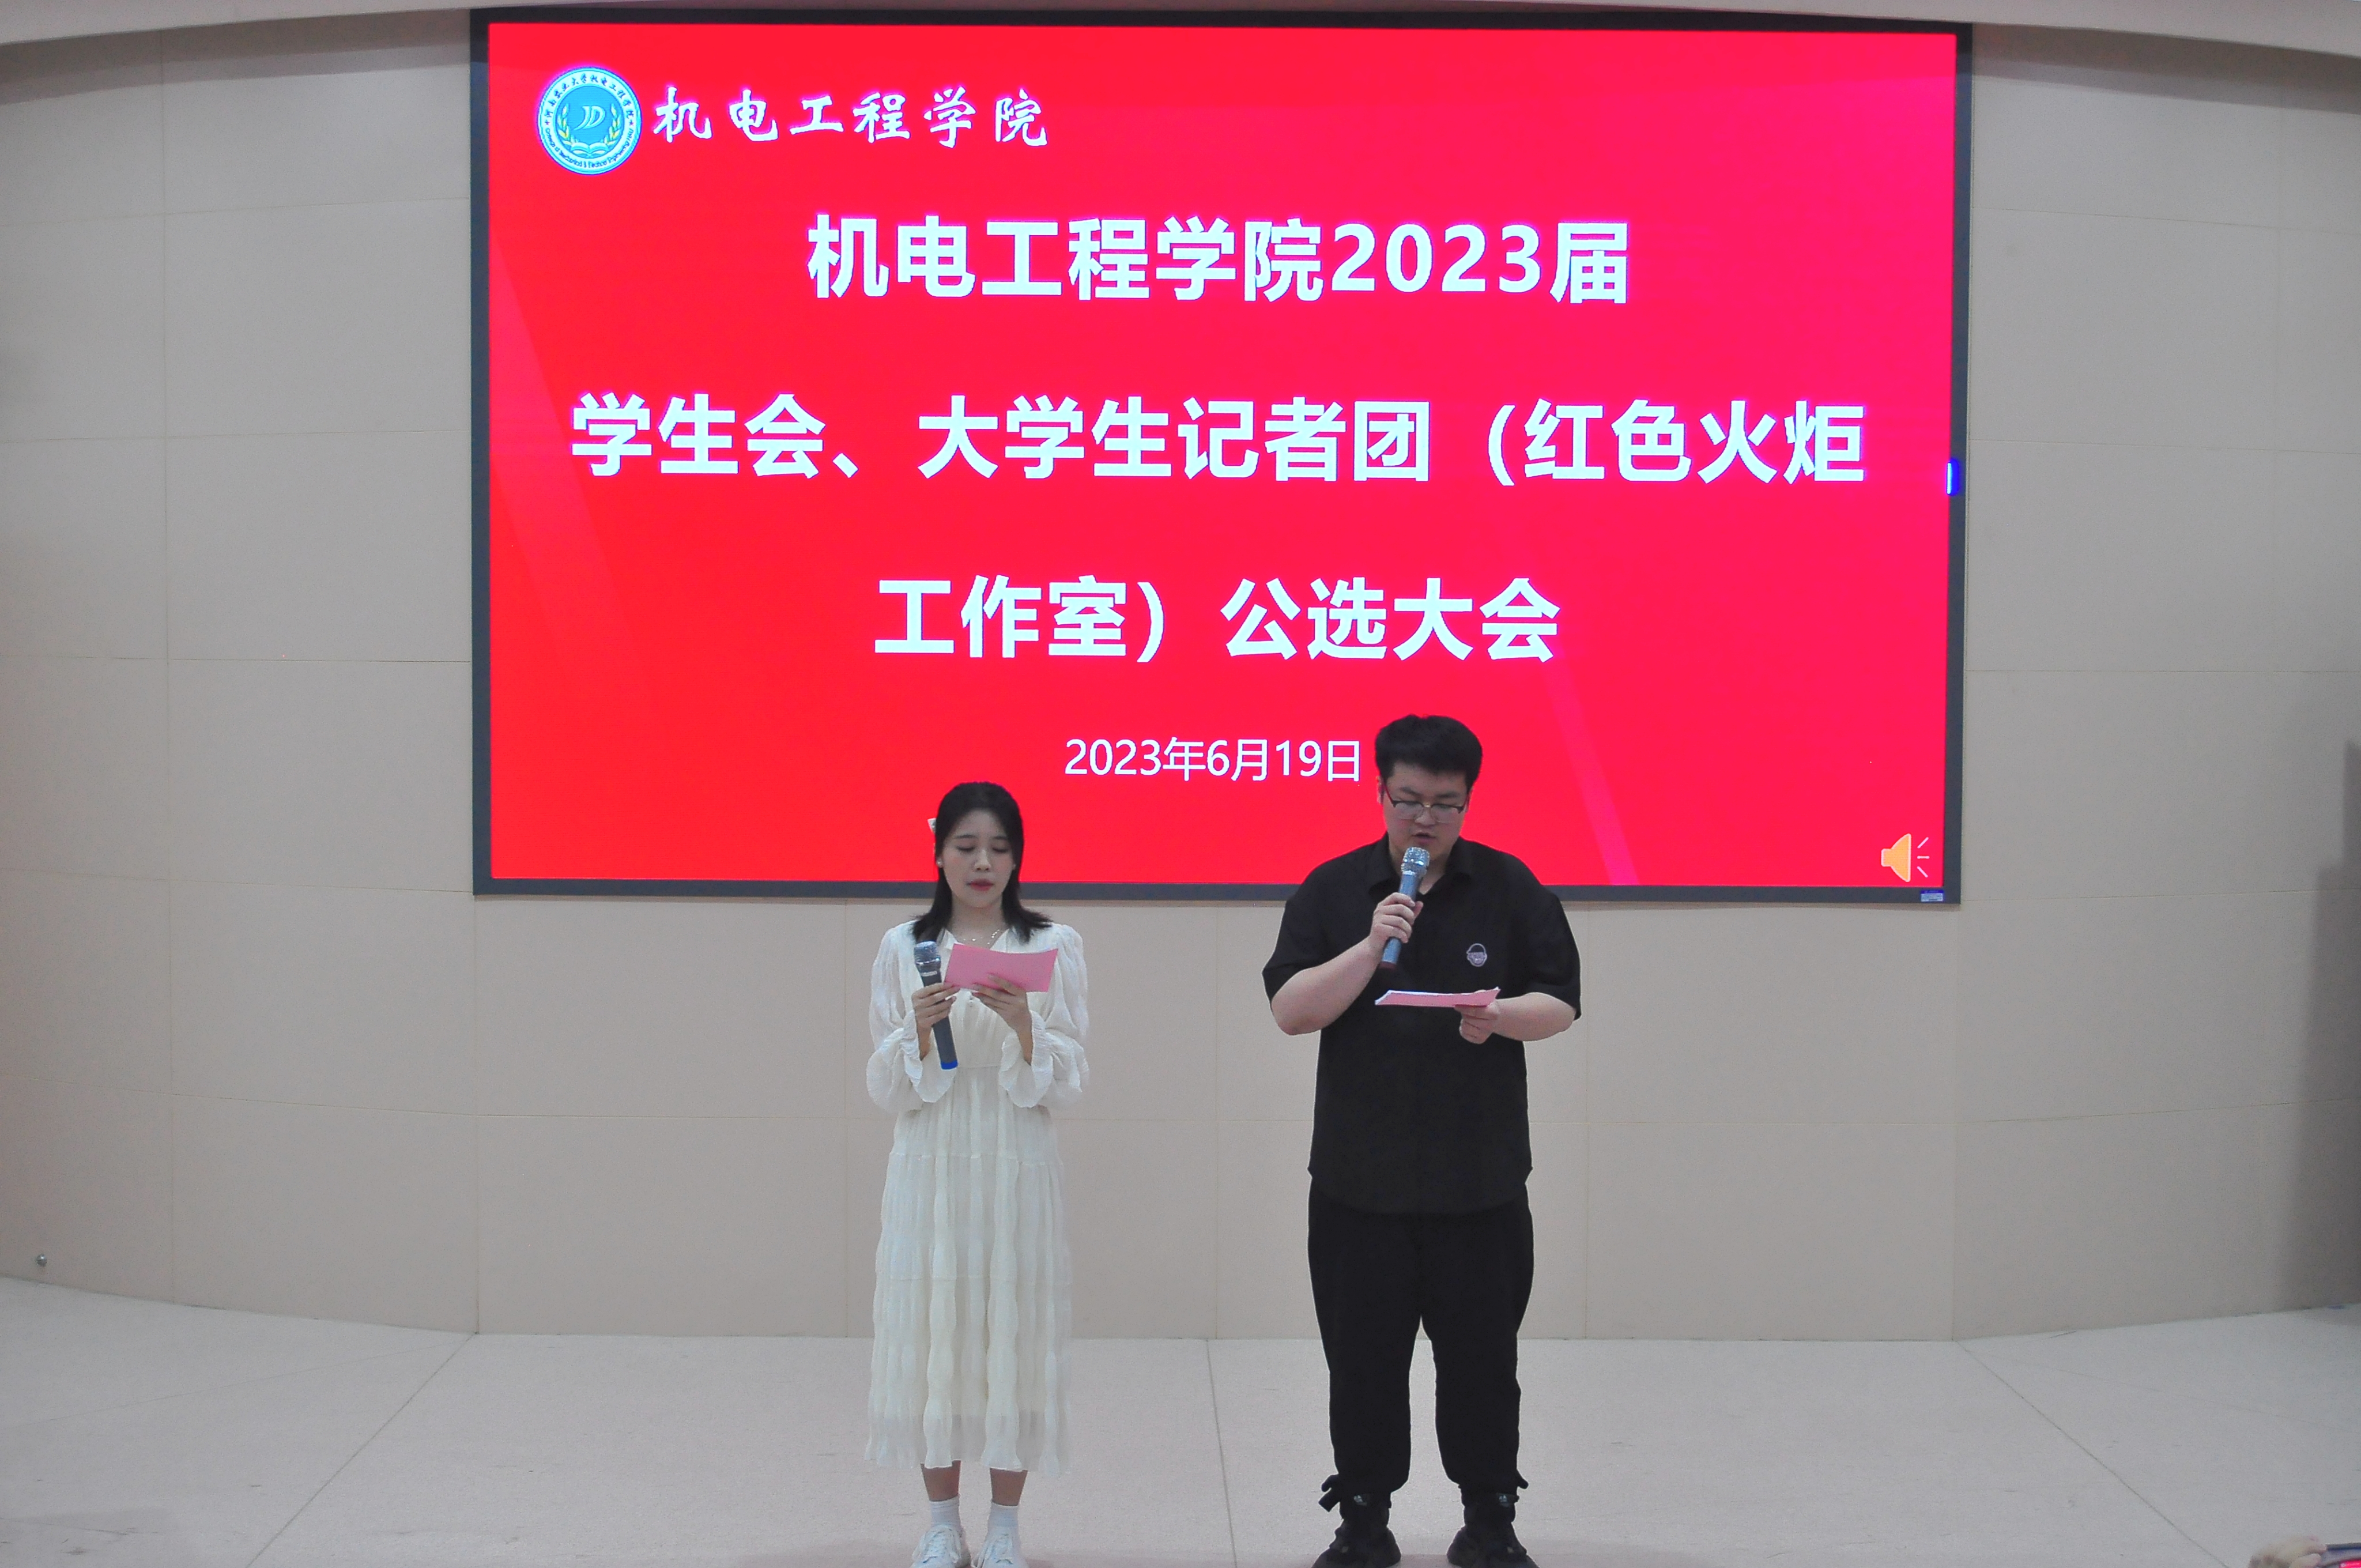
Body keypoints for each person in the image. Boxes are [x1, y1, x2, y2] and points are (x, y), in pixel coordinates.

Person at [1264, 715, 1581, 1568]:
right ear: (1380, 793)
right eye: (1408, 800)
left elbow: (1561, 1001)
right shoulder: (1335, 890)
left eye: (1445, 803)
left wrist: (1501, 1015)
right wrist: (1373, 943)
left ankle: (1489, 1521)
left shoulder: (1509, 887)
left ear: (1469, 802)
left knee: (1483, 1364)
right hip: (1358, 1185)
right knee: (1362, 1364)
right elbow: (1290, 1011)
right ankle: (1364, 1521)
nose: (1425, 819)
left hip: (1478, 1183)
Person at [867, 782, 1089, 1568]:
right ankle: (939, 1525)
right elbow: (885, 1085)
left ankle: (1004, 1529)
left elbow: (1070, 1078)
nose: (983, 862)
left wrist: (1026, 1026)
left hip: (1015, 1160)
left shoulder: (1052, 943)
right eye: (966, 846)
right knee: (933, 1333)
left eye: (999, 847)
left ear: (1018, 858)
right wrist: (919, 1033)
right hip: (931, 1160)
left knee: (1012, 1337)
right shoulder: (904, 947)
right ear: (939, 854)